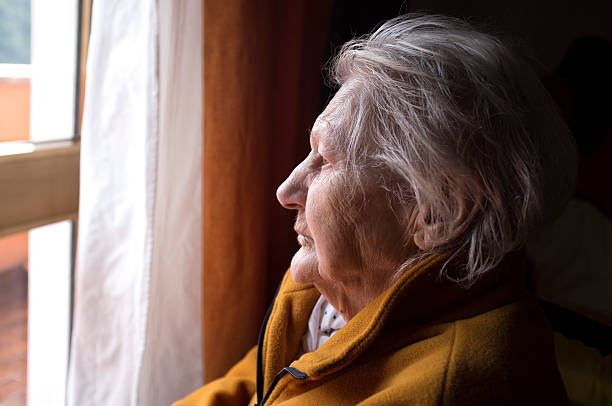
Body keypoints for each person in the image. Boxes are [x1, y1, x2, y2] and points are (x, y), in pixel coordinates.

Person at [175, 14, 575, 405]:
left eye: (326, 160)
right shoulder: (327, 291)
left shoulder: (451, 386)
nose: (287, 190)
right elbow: (254, 385)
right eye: (309, 153)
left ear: (438, 211)